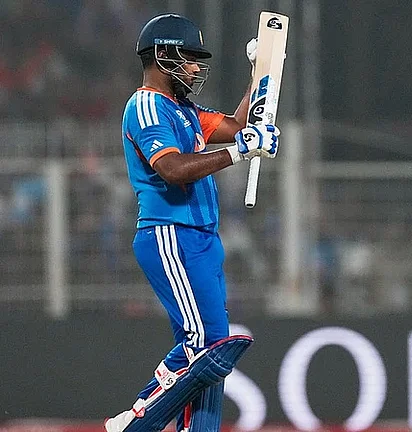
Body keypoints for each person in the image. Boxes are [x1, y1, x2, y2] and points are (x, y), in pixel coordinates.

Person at [104, 13, 280, 432]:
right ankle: (138, 417)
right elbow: (173, 170)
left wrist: (260, 76)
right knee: (203, 345)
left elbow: (239, 127)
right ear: (163, 56)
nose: (198, 68)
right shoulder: (145, 106)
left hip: (200, 236)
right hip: (170, 233)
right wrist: (241, 153)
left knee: (213, 347)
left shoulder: (184, 110)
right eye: (191, 58)